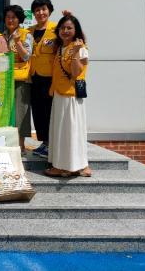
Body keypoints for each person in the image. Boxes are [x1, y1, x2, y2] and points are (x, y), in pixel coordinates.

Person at [44, 15, 90, 177]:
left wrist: (76, 52)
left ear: (76, 30)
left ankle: (72, 166)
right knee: (61, 131)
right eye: (62, 28)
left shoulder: (80, 48)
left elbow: (76, 73)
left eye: (69, 28)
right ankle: (64, 165)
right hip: (59, 94)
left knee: (71, 131)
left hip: (71, 96)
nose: (65, 31)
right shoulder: (61, 47)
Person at [28, 0, 57, 158]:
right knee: (38, 111)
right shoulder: (29, 31)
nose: (40, 13)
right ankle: (45, 143)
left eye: (43, 9)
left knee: (50, 111)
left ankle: (53, 144)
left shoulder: (56, 29)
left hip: (50, 78)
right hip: (34, 77)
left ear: (49, 11)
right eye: (37, 10)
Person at [3, 5, 33, 151]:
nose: (10, 20)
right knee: (6, 112)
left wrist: (18, 42)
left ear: (19, 19)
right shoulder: (2, 35)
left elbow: (26, 56)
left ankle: (20, 145)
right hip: (5, 79)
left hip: (21, 79)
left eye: (14, 17)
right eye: (8, 17)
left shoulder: (26, 34)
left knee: (21, 112)